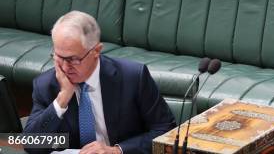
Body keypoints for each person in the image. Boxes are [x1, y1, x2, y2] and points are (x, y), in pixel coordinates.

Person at [24, 11, 176, 154]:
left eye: (73, 59)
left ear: (96, 51)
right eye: (58, 56)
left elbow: (166, 131)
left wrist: (117, 150)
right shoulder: (46, 84)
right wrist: (62, 98)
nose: (64, 67)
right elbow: (31, 144)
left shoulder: (133, 77)